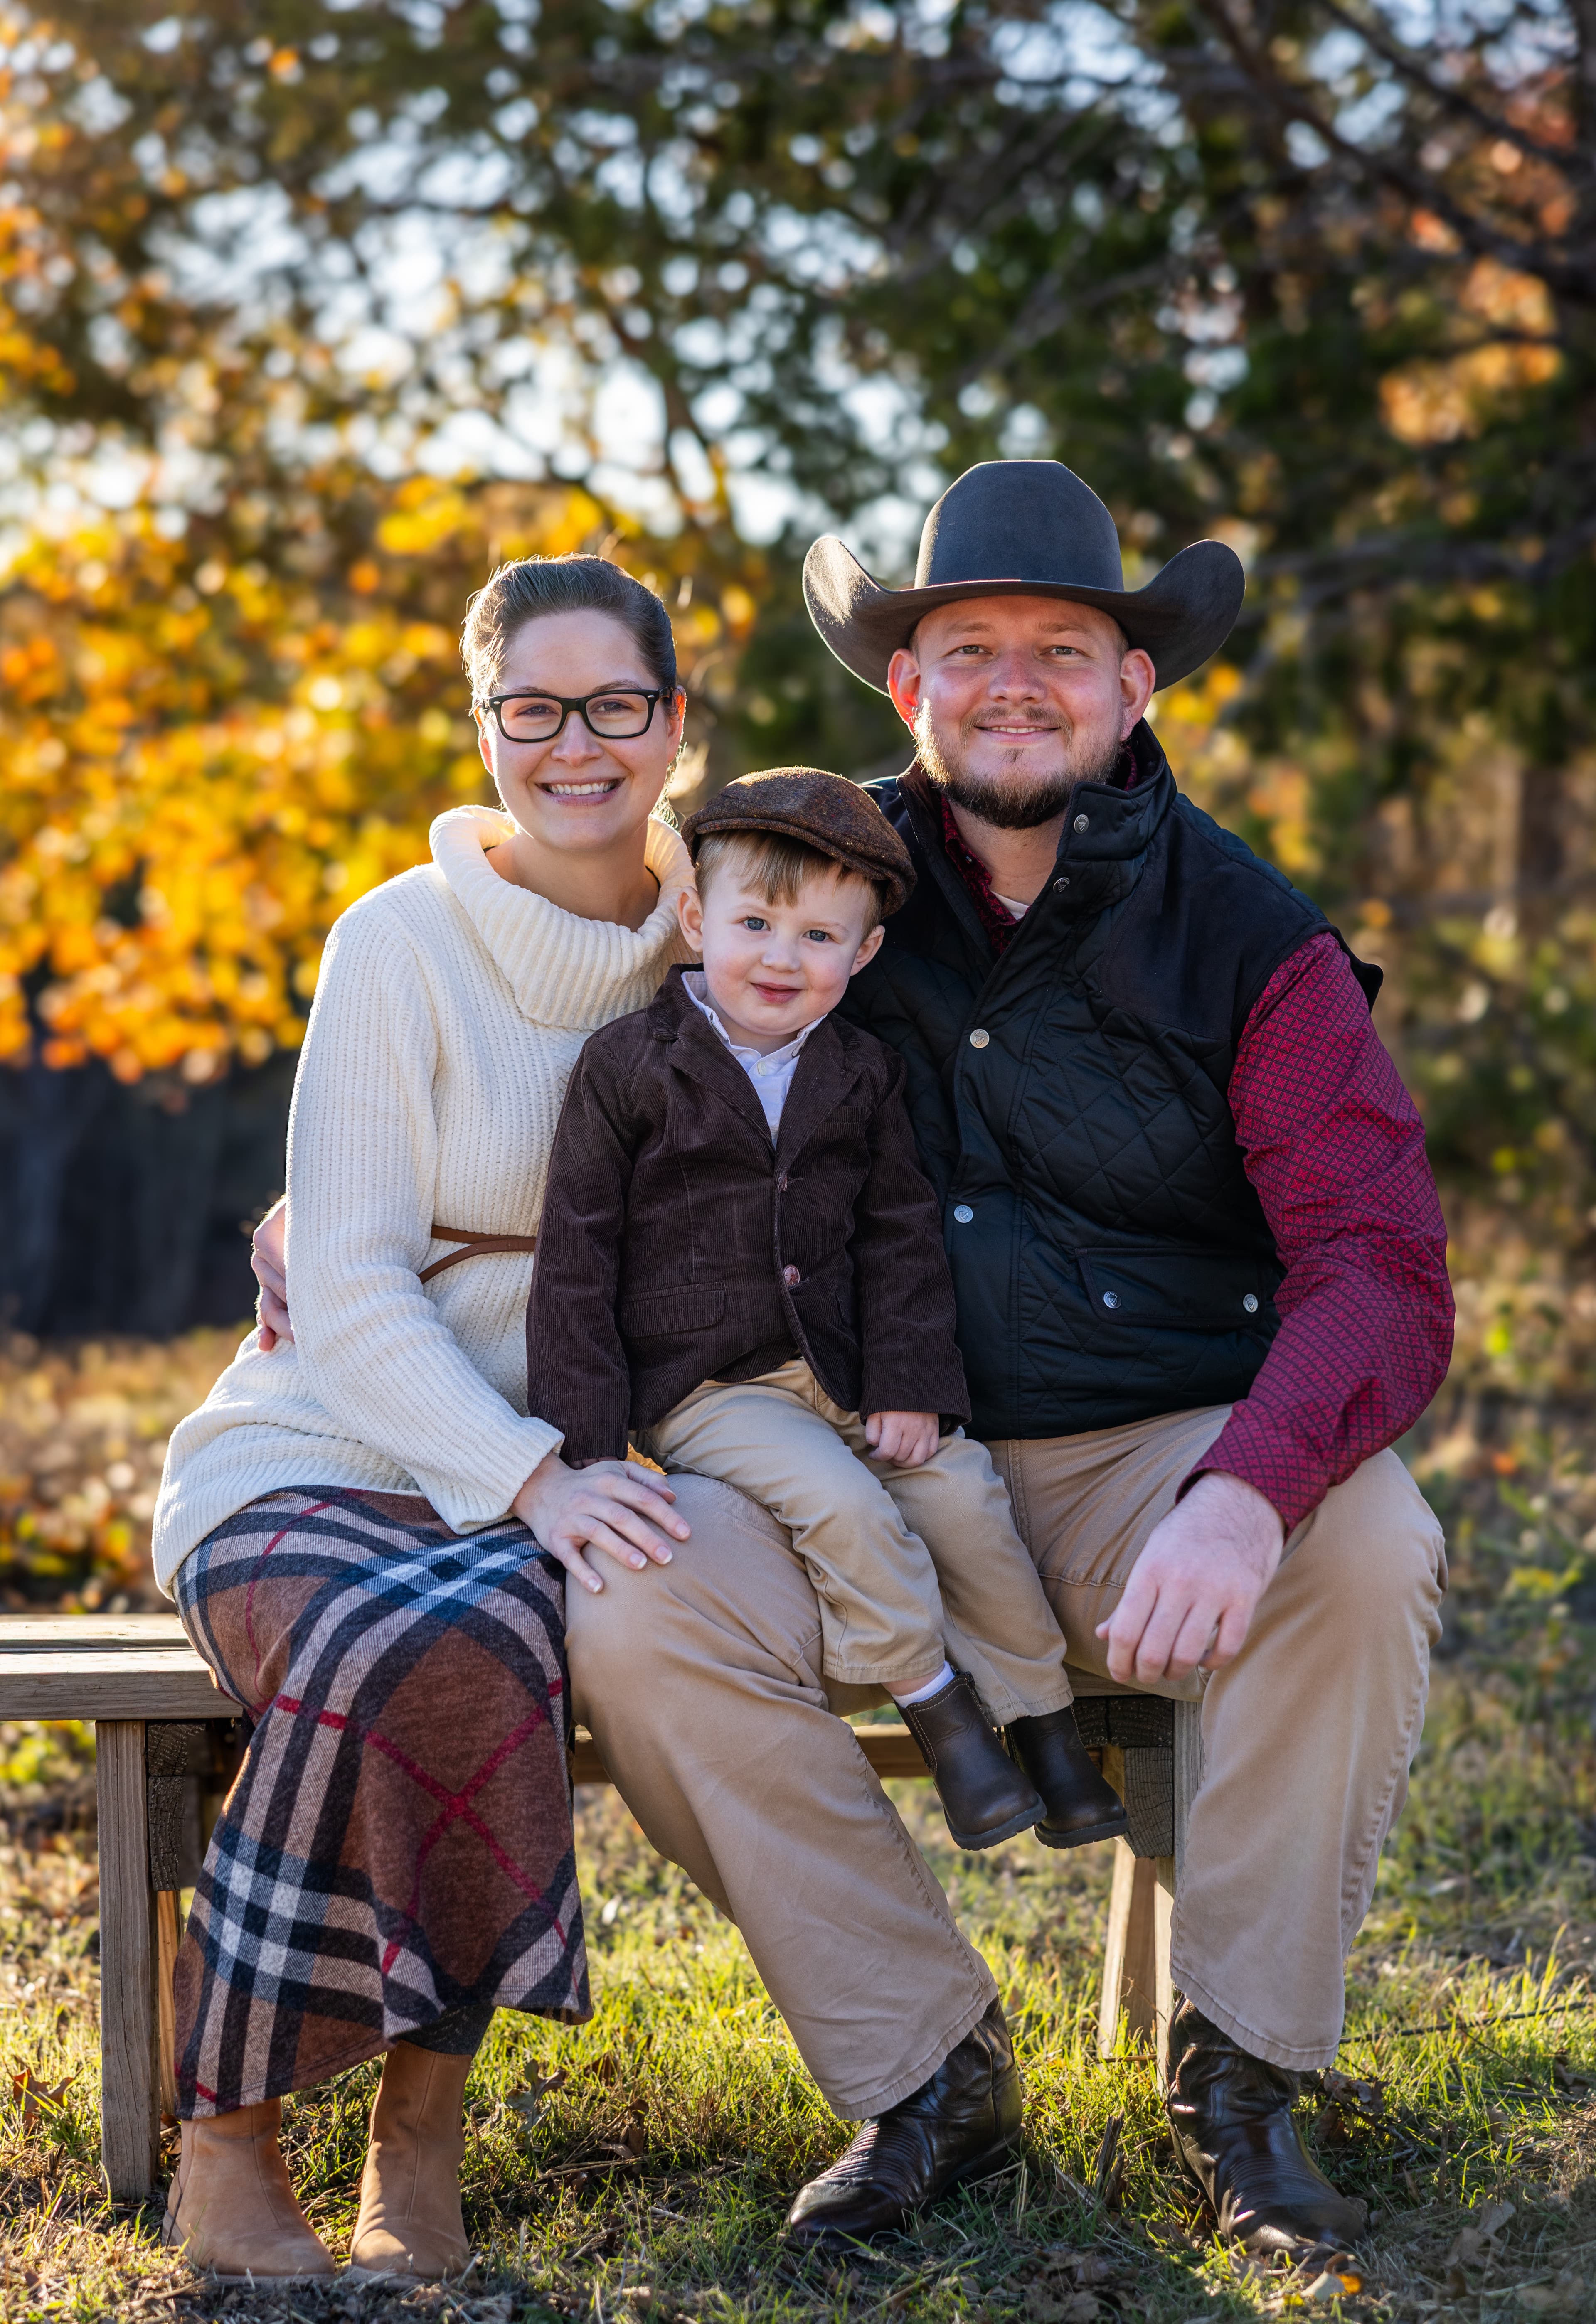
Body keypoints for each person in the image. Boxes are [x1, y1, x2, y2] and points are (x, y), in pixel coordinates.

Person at [155, 554, 1027, 2280]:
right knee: (377, 1633)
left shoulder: (736, 930)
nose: (577, 743)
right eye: (532, 708)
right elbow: (340, 1269)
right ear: (483, 727)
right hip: (326, 1440)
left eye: (615, 704)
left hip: (594, 1464)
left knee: (473, 1643)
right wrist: (530, 1474)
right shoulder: (393, 943)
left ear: (676, 722)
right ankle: (226, 2139)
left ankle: (418, 2137)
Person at [799, 457, 1453, 2251]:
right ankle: (926, 2068)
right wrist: (333, 1209)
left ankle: (1238, 2076)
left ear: (1135, 686)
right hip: (843, 1460)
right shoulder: (799, 880)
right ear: (905, 682)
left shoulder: (1250, 937)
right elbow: (596, 1072)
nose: (1016, 681)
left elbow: (1384, 1268)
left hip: (1144, 1457)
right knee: (638, 1609)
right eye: (970, 645)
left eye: (1064, 648)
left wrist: (1248, 1492)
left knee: (1369, 1535)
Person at [526, 765, 1127, 1855]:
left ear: (864, 954)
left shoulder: (862, 1072)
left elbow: (902, 1234)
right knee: (845, 1505)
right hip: (714, 1390)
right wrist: (582, 1451)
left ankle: (1044, 1727)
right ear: (698, 918)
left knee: (962, 1495)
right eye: (755, 922)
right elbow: (576, 1263)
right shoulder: (630, 1068)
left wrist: (910, 1379)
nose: (781, 957)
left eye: (819, 936)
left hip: (847, 1365)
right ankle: (945, 1717)